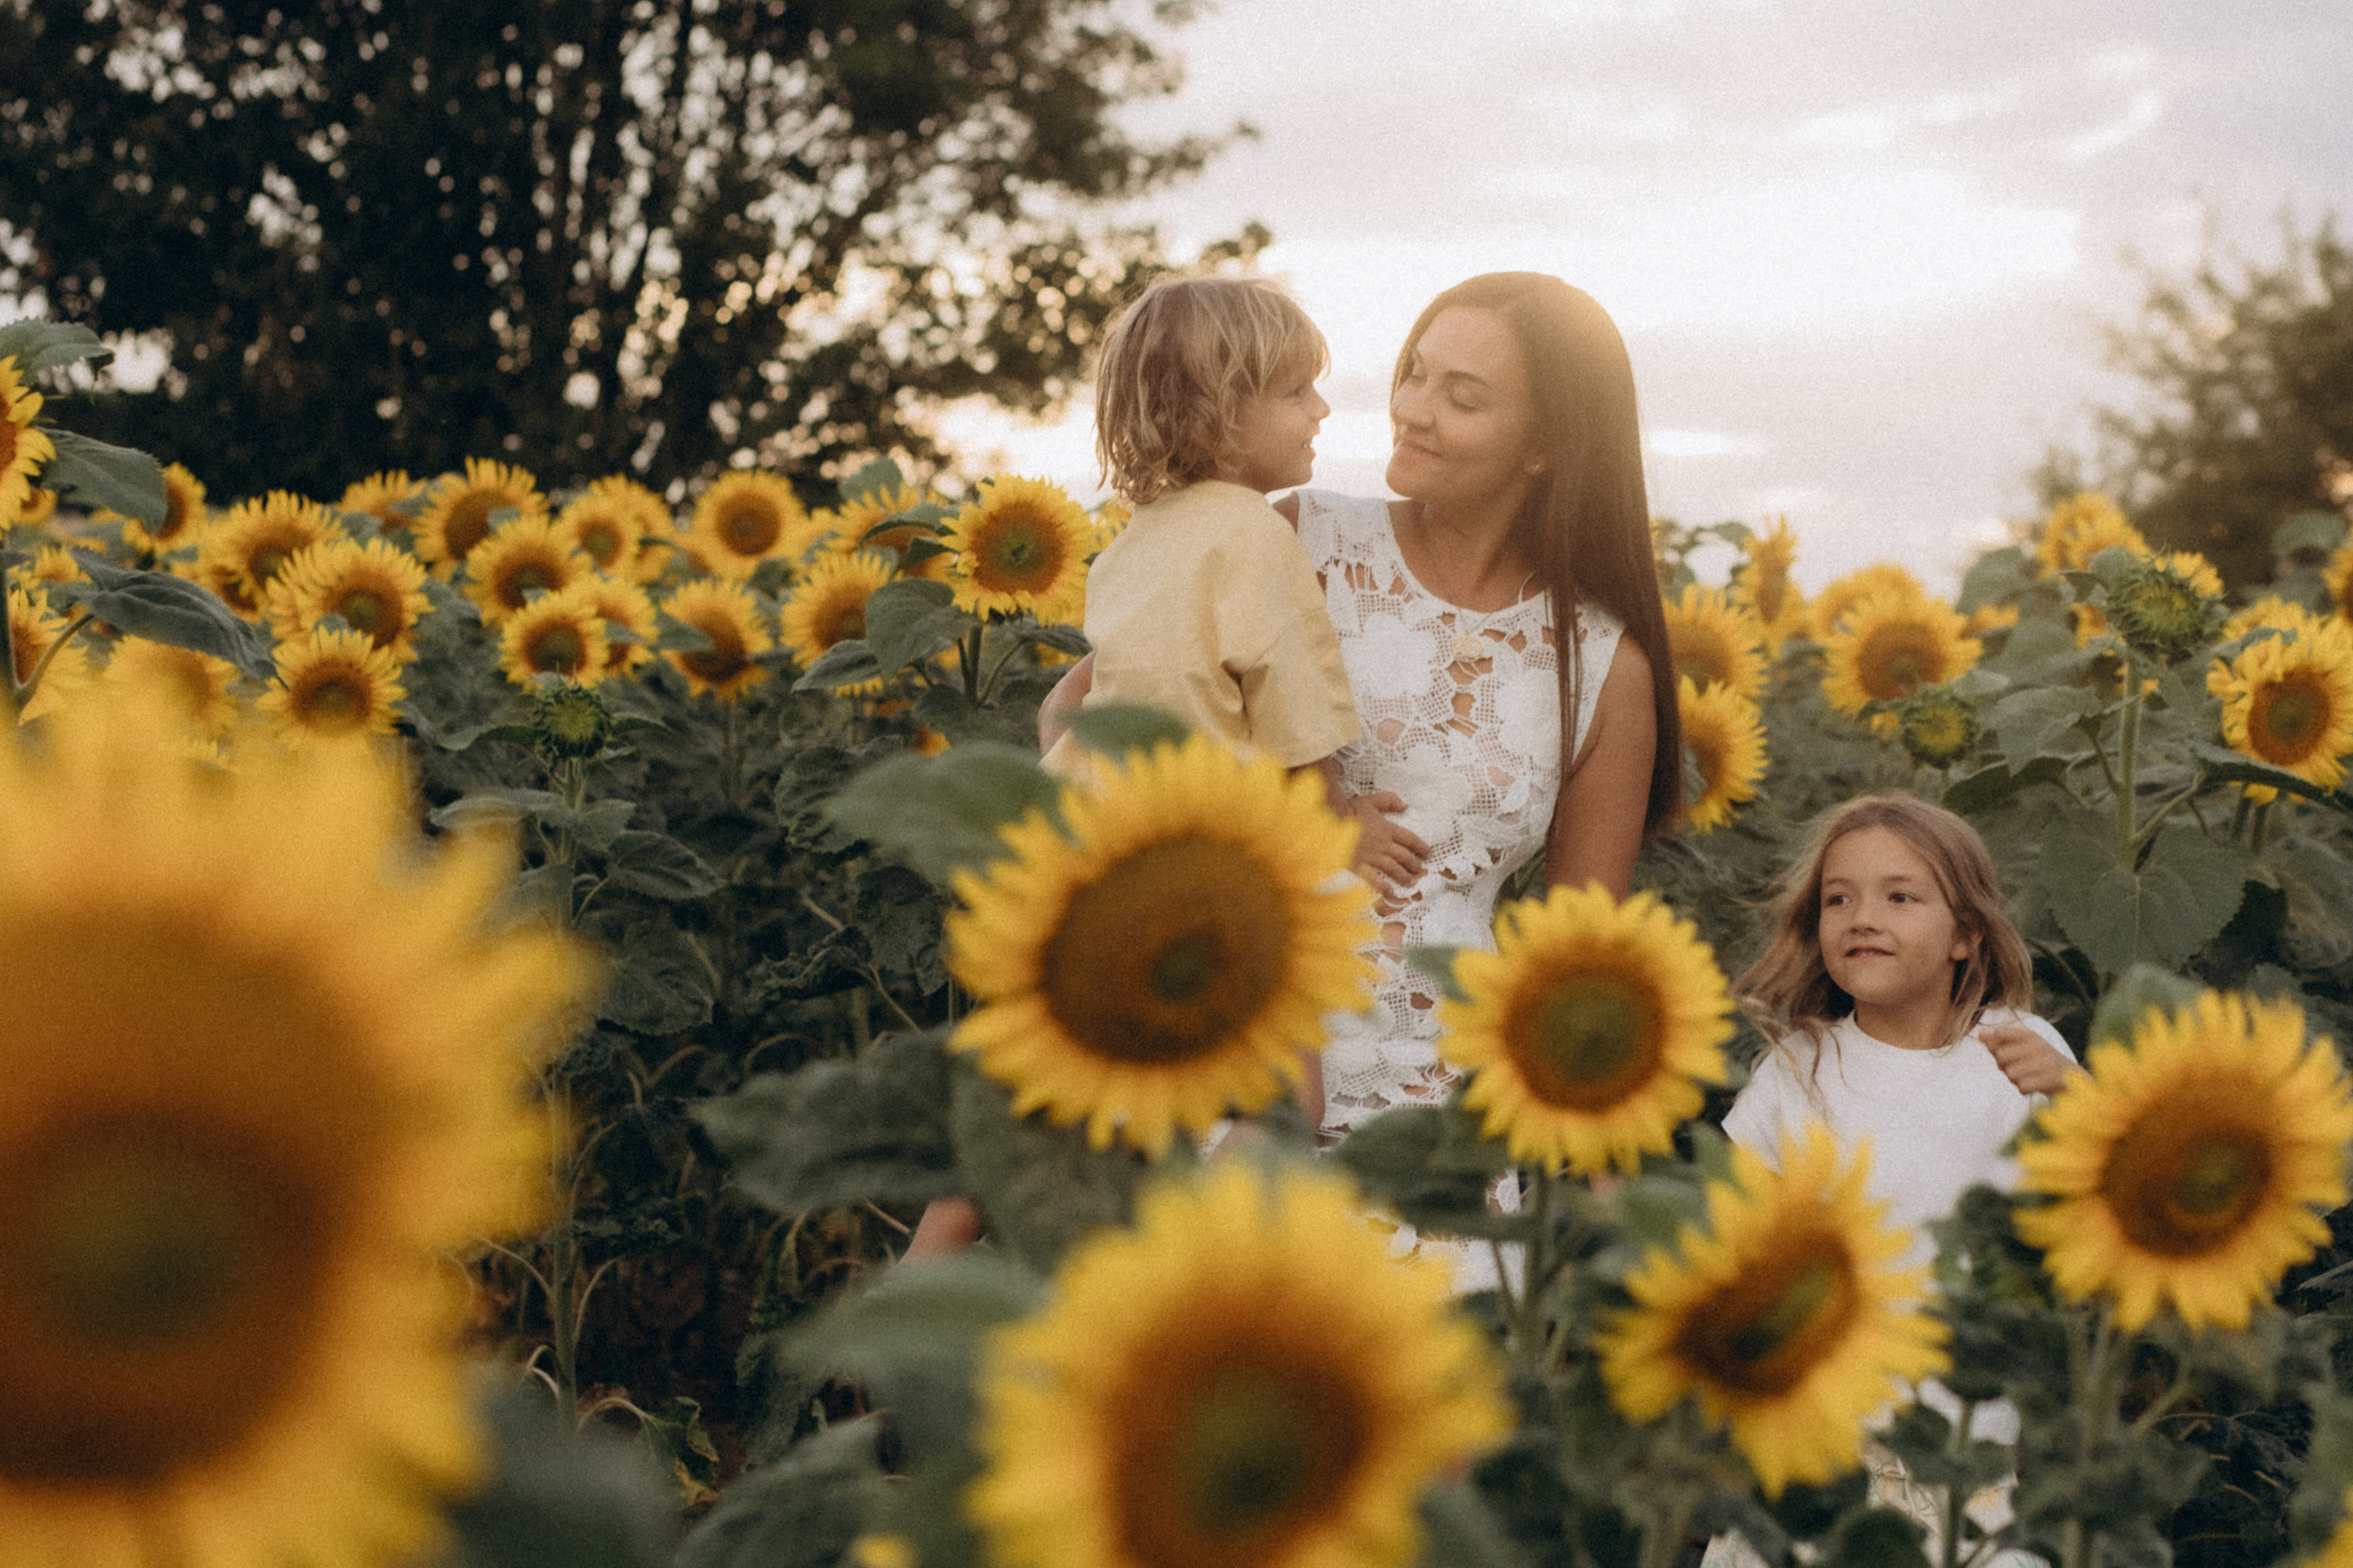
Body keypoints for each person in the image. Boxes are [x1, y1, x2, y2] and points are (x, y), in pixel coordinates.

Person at [907, 274, 1361, 1261]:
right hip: (1194, 850)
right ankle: (1197, 1259)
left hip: (1086, 845)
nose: (1320, 409)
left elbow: (1070, 702)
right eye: (1295, 392)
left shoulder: (1131, 547)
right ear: (1219, 415)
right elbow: (1288, 688)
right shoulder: (1254, 533)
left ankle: (919, 1270)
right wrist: (1341, 815)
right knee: (1287, 1088)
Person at [1706, 792, 2080, 1568]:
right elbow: (1733, 1222)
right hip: (1822, 1451)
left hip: (1965, 1451)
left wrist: (2077, 1091)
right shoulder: (1800, 1067)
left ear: (1966, 936)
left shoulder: (2018, 1050)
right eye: (1837, 899)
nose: (1861, 917)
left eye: (1899, 897)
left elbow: (2105, 1188)